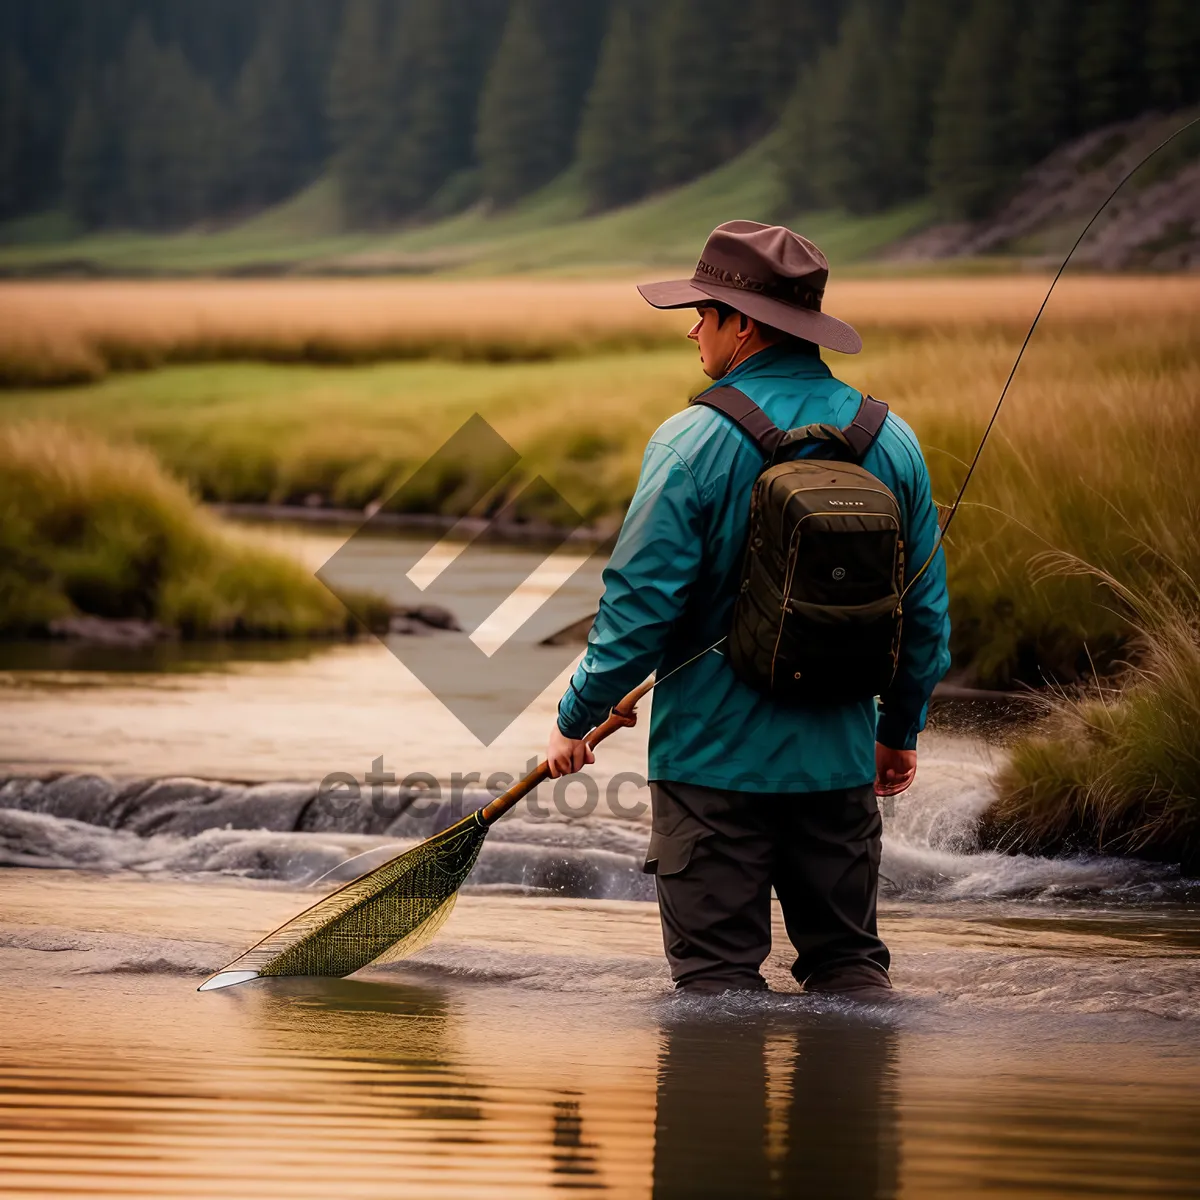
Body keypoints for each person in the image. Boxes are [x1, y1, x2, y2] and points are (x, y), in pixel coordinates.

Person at [547, 221, 950, 999]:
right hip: (838, 767)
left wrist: (576, 717)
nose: (695, 329)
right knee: (851, 971)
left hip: (709, 771)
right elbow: (923, 613)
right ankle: (853, 1110)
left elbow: (637, 611)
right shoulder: (892, 441)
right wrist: (897, 733)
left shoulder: (688, 442)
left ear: (746, 324)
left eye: (704, 312)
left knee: (715, 988)